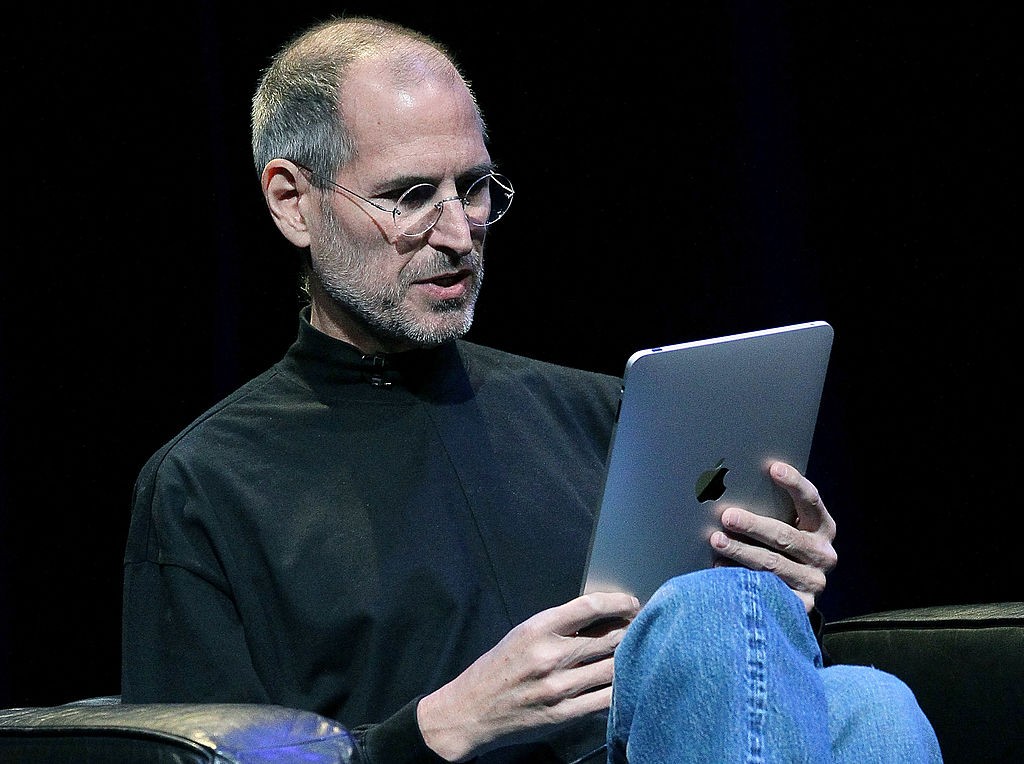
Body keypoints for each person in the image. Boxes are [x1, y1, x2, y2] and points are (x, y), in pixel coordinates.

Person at [121, 15, 942, 763]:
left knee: (871, 704)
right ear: (292, 202)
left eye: (473, 189)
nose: (457, 235)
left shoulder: (603, 413)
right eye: (410, 197)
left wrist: (776, 600)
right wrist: (444, 725)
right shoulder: (208, 484)